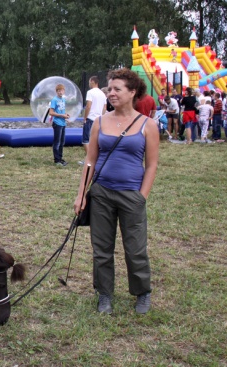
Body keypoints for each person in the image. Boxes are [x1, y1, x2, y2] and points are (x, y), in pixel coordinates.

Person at [74, 68, 159, 315]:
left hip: (132, 195)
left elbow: (151, 164)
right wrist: (81, 194)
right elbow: (90, 160)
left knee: (135, 250)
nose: (111, 93)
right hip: (101, 193)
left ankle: (142, 292)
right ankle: (104, 295)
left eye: (117, 89)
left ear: (132, 92)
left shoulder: (147, 124)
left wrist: (141, 195)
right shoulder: (99, 122)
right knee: (101, 249)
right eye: (109, 88)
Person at [80, 76, 106, 164]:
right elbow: (104, 107)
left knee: (86, 140)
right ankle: (96, 158)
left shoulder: (90, 92)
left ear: (92, 82)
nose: (88, 83)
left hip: (90, 118)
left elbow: (88, 106)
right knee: (96, 140)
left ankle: (90, 159)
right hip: (99, 119)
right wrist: (101, 116)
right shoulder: (102, 93)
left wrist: (85, 117)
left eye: (89, 82)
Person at [49, 84, 70, 166]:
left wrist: (66, 115)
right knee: (57, 142)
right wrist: (62, 116)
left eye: (61, 90)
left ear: (64, 91)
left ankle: (60, 158)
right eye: (58, 91)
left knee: (62, 142)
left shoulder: (63, 100)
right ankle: (57, 160)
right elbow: (51, 112)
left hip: (63, 123)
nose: (60, 92)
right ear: (56, 92)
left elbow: (61, 111)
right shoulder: (54, 100)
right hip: (57, 123)